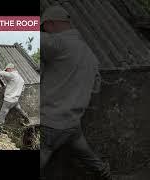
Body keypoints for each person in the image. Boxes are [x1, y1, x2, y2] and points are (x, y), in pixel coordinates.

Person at [41, 5, 111, 180]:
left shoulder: (57, 43)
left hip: (51, 123)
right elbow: (95, 88)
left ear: (50, 24)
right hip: (73, 124)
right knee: (89, 158)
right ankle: (105, 175)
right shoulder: (91, 56)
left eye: (43, 27)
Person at [0, 63, 30, 138]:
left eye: (7, 70)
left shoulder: (12, 75)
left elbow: (1, 73)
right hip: (15, 100)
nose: (7, 71)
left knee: (2, 116)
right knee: (19, 109)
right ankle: (26, 118)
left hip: (8, 101)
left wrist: (2, 72)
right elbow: (16, 86)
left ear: (10, 69)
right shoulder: (21, 78)